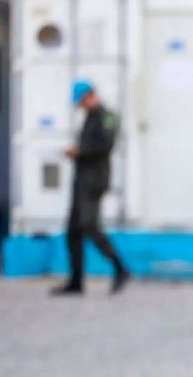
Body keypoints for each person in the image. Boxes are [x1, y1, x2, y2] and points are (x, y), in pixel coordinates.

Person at [52, 80, 130, 296]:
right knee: (73, 231)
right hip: (82, 179)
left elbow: (105, 144)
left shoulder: (106, 117)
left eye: (81, 101)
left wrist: (80, 151)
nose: (80, 106)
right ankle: (76, 281)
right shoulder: (89, 118)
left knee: (89, 226)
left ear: (91, 96)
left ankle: (120, 268)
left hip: (94, 181)